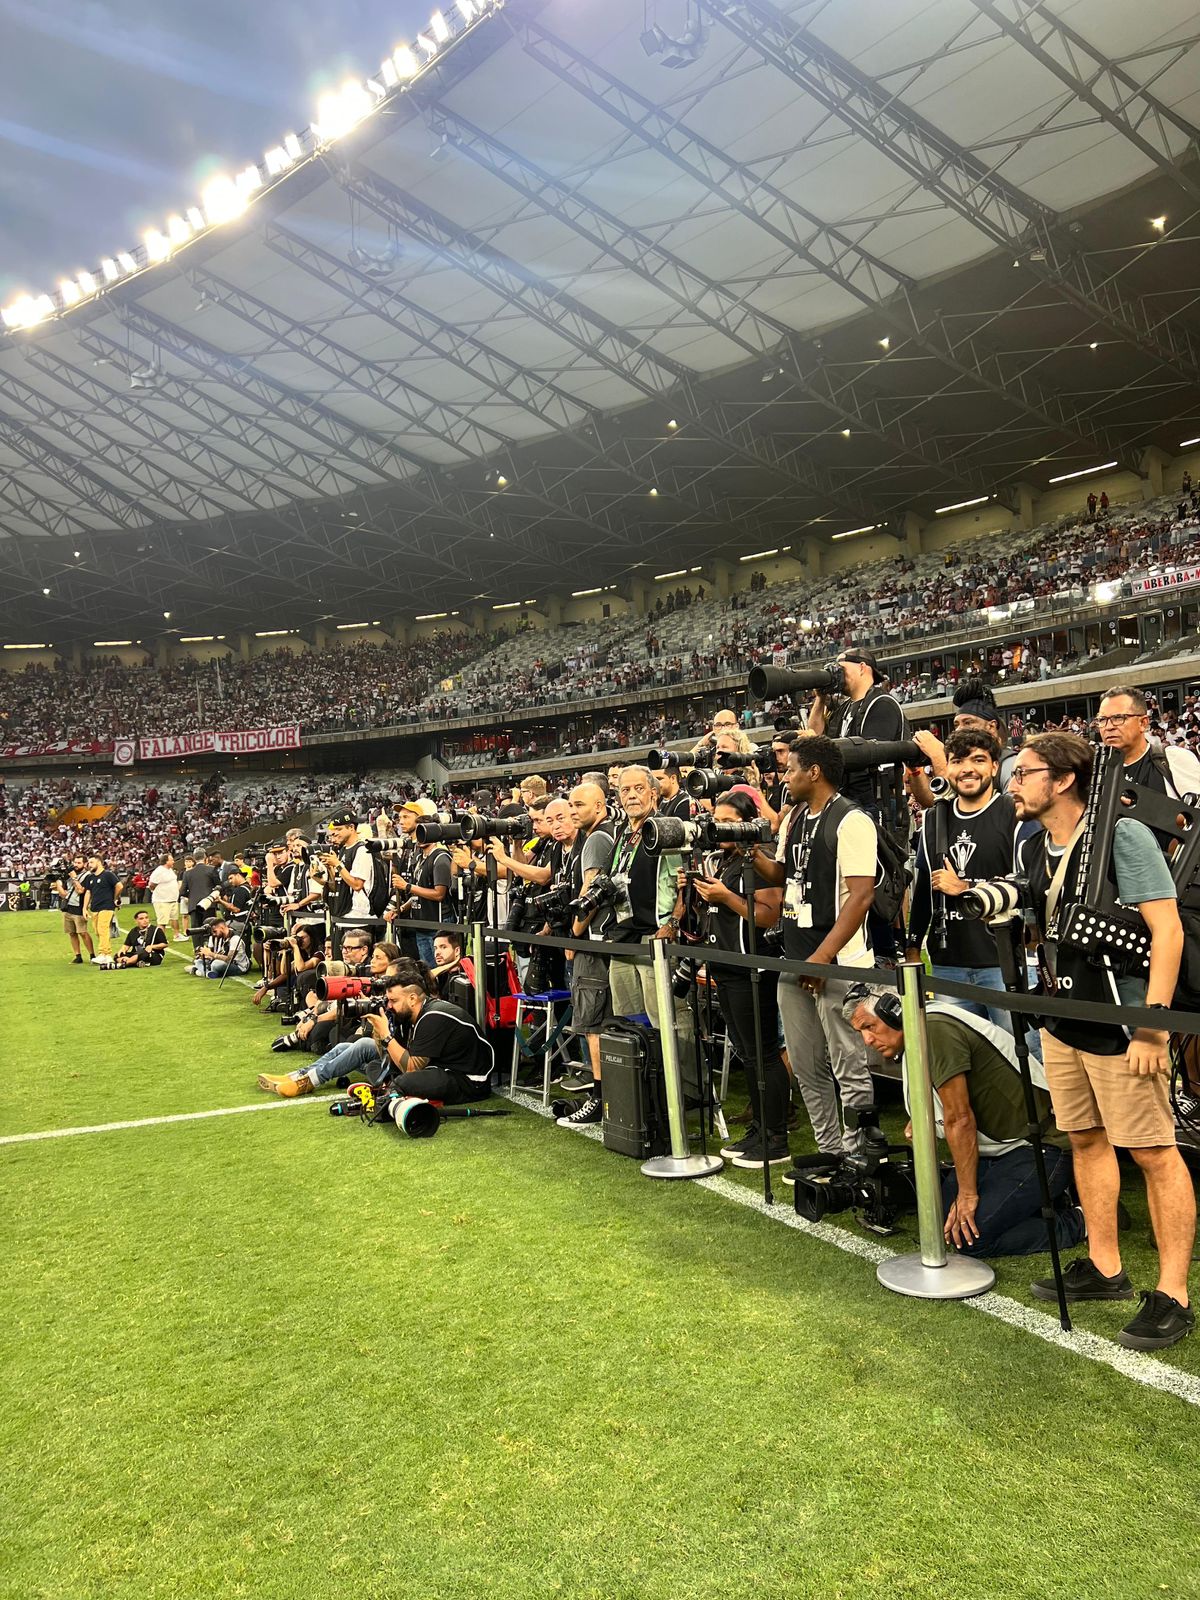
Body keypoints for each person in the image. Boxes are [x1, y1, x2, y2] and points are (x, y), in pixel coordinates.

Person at [1012, 730, 1194, 1349]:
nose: (1015, 782)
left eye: (1025, 772)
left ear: (1062, 780)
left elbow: (1166, 933)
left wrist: (1152, 1026)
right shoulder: (1038, 845)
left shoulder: (1122, 834)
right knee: (1086, 1141)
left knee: (1152, 1152)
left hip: (1124, 1024)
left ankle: (1173, 1293)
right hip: (1064, 1022)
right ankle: (1105, 1265)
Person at [848, 991, 1086, 1258]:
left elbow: (960, 1119)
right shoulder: (921, 1029)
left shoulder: (934, 1031)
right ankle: (1046, 1200)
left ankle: (1079, 1220)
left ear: (893, 1012)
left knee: (972, 1238)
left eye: (869, 1027)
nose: (867, 1040)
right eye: (861, 1032)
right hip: (1002, 1149)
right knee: (944, 1223)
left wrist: (968, 1194)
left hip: (1043, 1145)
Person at [750, 736, 879, 1164]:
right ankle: (829, 1149)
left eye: (790, 770)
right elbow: (785, 873)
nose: (785, 777)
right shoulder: (795, 818)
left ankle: (859, 1152)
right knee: (807, 1065)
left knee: (848, 1064)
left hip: (837, 961)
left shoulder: (852, 820)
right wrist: (748, 849)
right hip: (795, 956)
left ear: (814, 772)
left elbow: (861, 897)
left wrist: (822, 957)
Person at [692, 791, 789, 1168]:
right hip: (726, 964)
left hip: (754, 966)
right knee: (748, 1053)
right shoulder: (725, 858)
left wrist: (724, 895)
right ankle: (761, 1127)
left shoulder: (757, 860)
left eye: (728, 820)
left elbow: (767, 914)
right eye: (717, 819)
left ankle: (776, 1136)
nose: (719, 827)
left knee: (763, 1052)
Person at [905, 727, 1027, 1026]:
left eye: (978, 760)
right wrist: (912, 945)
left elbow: (1027, 883)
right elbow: (924, 888)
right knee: (961, 1056)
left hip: (1001, 962)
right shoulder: (935, 818)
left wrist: (966, 888)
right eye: (958, 761)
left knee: (1020, 1058)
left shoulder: (1013, 812)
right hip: (948, 963)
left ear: (994, 766)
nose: (967, 769)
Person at [556, 781, 616, 1128]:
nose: (574, 810)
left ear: (600, 805)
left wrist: (574, 933)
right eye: (572, 805)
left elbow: (590, 889)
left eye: (580, 805)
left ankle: (599, 1098)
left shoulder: (595, 839)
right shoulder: (607, 834)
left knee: (592, 1024)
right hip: (604, 939)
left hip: (593, 940)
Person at [81, 853, 123, 967]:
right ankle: (106, 955)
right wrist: (84, 908)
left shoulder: (108, 875)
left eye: (91, 862)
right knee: (97, 931)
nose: (89, 865)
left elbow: (119, 886)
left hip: (107, 906)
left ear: (99, 862)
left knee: (103, 928)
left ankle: (104, 954)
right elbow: (88, 892)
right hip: (95, 907)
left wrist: (114, 898)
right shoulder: (90, 877)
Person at [52, 855, 94, 964]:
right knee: (71, 933)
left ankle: (92, 955)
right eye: (75, 862)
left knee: (83, 932)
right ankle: (77, 955)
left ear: (85, 864)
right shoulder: (69, 875)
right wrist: (58, 882)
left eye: (79, 863)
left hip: (79, 907)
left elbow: (81, 890)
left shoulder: (87, 876)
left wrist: (74, 877)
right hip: (68, 907)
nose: (75, 865)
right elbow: (63, 894)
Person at [180, 853, 221, 936]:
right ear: (205, 859)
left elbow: (182, 892)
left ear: (194, 860)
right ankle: (209, 948)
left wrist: (192, 895)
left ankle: (198, 948)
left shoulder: (187, 873)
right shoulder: (212, 869)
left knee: (196, 932)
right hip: (208, 904)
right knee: (210, 930)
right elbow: (219, 886)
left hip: (194, 905)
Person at [146, 853, 184, 941]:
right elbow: (152, 884)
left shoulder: (170, 870)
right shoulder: (159, 871)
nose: (173, 861)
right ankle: (161, 939)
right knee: (162, 921)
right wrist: (159, 892)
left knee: (174, 918)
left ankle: (177, 935)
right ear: (166, 861)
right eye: (171, 860)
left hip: (172, 899)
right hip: (162, 900)